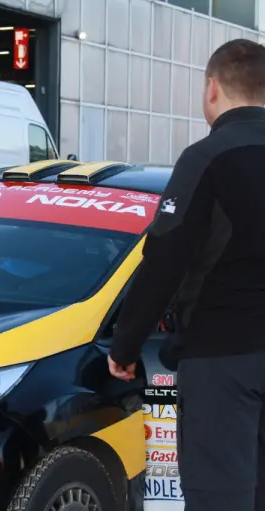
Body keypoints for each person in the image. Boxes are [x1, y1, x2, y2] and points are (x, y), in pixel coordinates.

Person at [107, 39, 265, 511]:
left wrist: (125, 344)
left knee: (222, 495)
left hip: (222, 355)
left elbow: (166, 258)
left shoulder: (206, 157)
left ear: (211, 89)